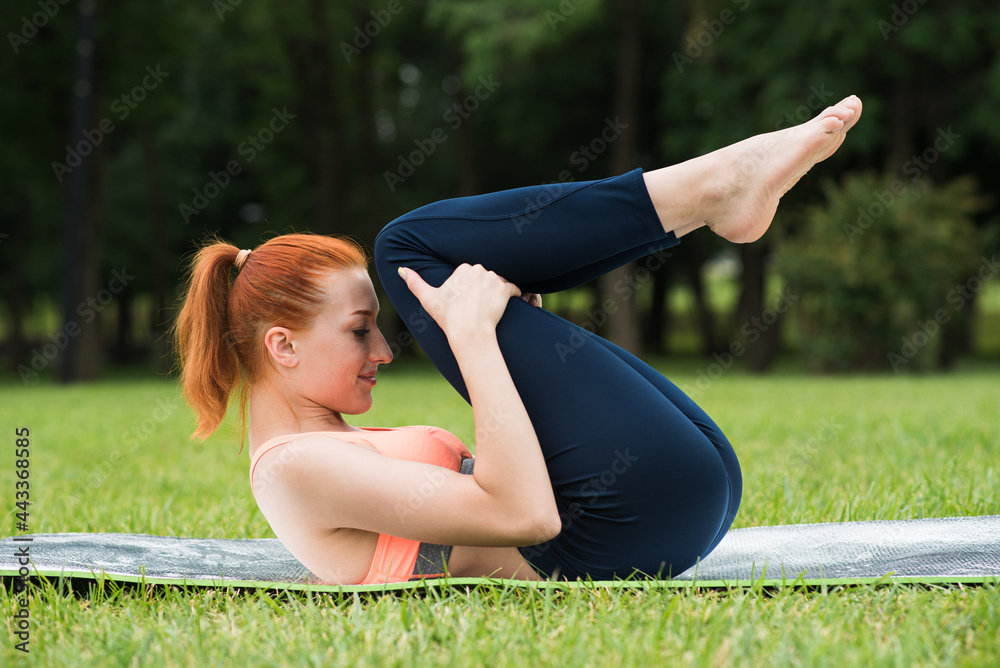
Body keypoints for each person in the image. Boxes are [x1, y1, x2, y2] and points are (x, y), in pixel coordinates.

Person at [174, 95, 862, 585]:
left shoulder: (316, 453)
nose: (384, 351)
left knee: (413, 254)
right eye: (359, 331)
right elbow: (526, 513)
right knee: (405, 249)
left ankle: (714, 194)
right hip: (609, 533)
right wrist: (477, 343)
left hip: (654, 511)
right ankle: (712, 189)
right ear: (281, 347)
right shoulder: (290, 469)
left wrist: (510, 337)